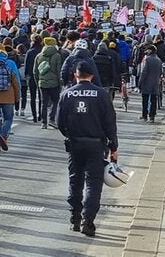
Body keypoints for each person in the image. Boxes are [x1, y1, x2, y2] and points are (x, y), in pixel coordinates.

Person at [56, 61, 119, 237]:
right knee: (93, 183)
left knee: (75, 181)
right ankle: (88, 221)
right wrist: (113, 146)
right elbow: (110, 123)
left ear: (76, 74)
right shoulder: (102, 94)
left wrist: (69, 134)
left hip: (75, 143)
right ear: (92, 75)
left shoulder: (66, 94)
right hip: (96, 144)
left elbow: (60, 122)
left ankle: (75, 218)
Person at [34, 37, 64, 129]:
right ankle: (51, 119)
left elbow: (35, 71)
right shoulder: (57, 56)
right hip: (54, 82)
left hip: (42, 82)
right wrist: (60, 83)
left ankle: (44, 122)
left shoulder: (39, 56)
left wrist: (38, 81)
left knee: (44, 102)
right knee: (55, 101)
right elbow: (59, 71)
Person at [137, 45, 163, 123]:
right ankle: (152, 116)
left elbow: (143, 72)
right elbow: (160, 72)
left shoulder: (147, 59)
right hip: (155, 82)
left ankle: (144, 115)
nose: (146, 51)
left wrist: (140, 82)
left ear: (150, 51)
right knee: (153, 99)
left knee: (145, 99)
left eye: (147, 50)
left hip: (146, 82)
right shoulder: (158, 60)